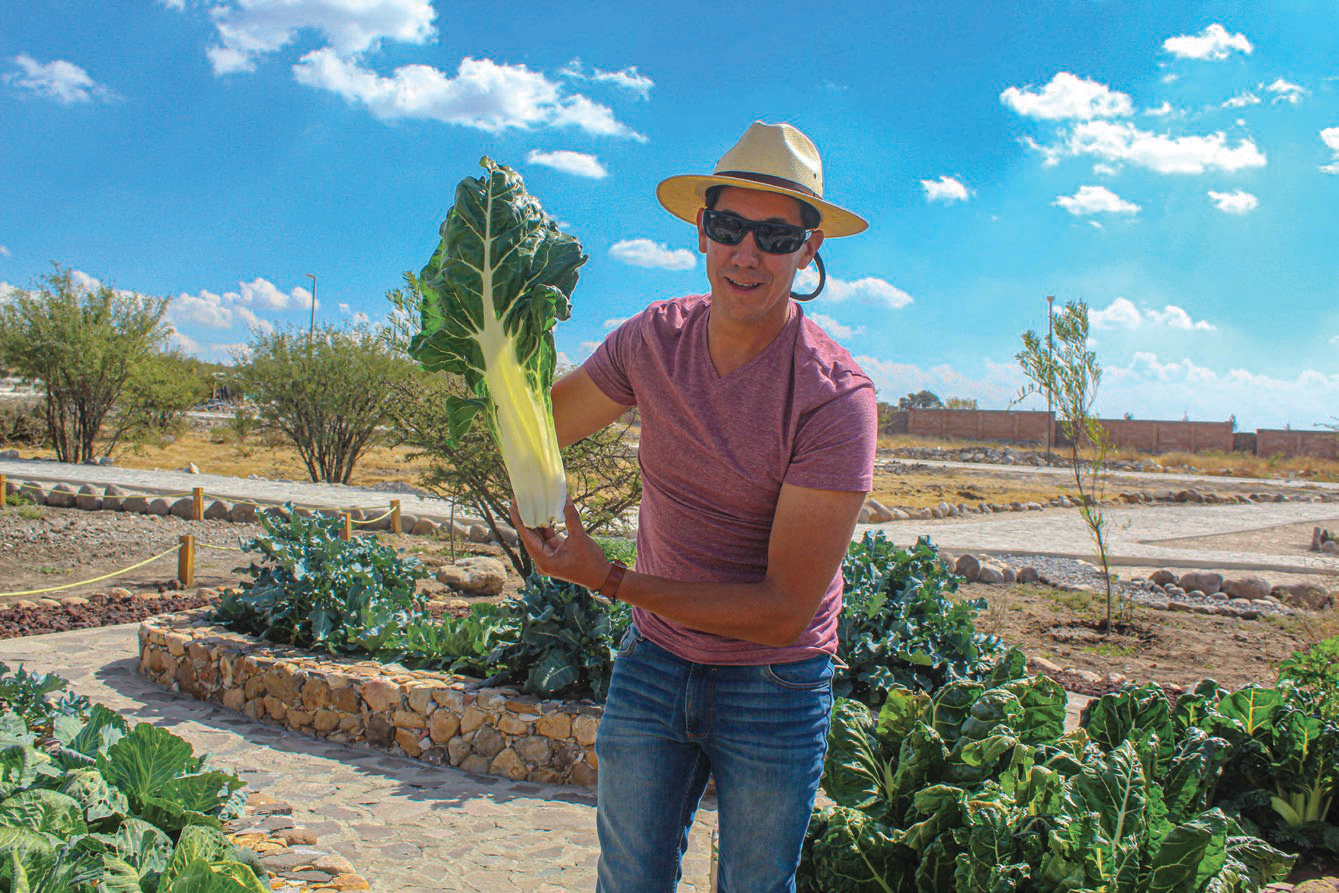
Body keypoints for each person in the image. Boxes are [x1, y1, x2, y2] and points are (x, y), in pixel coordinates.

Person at [510, 121, 878, 892]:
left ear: (808, 249)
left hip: (775, 681)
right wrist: (495, 342)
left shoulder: (834, 397)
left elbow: (781, 610)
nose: (747, 252)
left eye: (775, 236)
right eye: (729, 226)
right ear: (701, 230)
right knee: (628, 880)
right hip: (655, 660)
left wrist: (606, 577)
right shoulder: (654, 338)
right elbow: (543, 425)